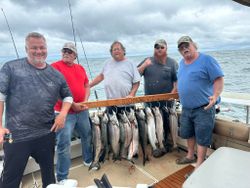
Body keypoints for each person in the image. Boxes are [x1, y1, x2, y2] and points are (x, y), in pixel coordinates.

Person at [0, 32, 72, 188]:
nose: (39, 51)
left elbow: (68, 96)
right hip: (16, 136)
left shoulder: (56, 75)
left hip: (46, 134)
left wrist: (63, 115)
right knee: (10, 179)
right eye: (34, 48)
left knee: (49, 175)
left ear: (46, 48)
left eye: (42, 48)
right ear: (26, 49)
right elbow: (0, 97)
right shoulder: (10, 68)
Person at [176, 36, 224, 171]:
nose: (184, 49)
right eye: (181, 48)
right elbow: (181, 80)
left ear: (194, 45)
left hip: (204, 108)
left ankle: (199, 164)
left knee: (202, 138)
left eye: (187, 45)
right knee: (188, 133)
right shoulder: (181, 63)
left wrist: (215, 96)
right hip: (186, 108)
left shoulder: (207, 60)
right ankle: (190, 155)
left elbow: (218, 80)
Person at [51, 42, 94, 185]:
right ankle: (62, 177)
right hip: (64, 113)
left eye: (70, 51)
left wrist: (85, 101)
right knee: (64, 143)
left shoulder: (80, 68)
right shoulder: (55, 67)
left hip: (82, 110)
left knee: (87, 135)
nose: (66, 53)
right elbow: (52, 90)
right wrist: (72, 105)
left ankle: (88, 160)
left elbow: (87, 85)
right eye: (64, 51)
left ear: (75, 55)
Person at [137, 39, 178, 151]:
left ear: (166, 48)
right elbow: (135, 75)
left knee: (166, 125)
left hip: (167, 102)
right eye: (157, 47)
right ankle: (156, 147)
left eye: (162, 47)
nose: (159, 49)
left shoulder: (172, 62)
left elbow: (177, 80)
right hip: (150, 102)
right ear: (154, 49)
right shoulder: (147, 60)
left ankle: (165, 144)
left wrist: (173, 93)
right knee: (151, 126)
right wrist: (144, 65)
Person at [90, 41, 141, 113]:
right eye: (114, 49)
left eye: (118, 49)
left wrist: (132, 94)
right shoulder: (107, 63)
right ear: (111, 52)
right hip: (111, 104)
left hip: (127, 104)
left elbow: (137, 82)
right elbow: (101, 76)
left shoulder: (130, 63)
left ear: (123, 51)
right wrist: (88, 86)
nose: (116, 51)